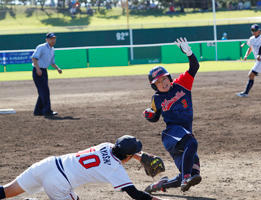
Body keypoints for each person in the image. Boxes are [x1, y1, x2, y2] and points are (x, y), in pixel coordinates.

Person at [0, 135, 166, 200]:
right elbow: (135, 194)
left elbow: (123, 151)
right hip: (59, 183)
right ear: (128, 157)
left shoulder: (106, 145)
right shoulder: (116, 171)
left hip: (47, 165)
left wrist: (140, 157)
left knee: (6, 191)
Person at [143, 37, 201, 193]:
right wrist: (149, 115)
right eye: (158, 82)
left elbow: (194, 67)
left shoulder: (181, 84)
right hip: (172, 134)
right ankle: (185, 178)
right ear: (154, 86)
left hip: (183, 134)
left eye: (164, 78)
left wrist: (189, 53)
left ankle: (160, 185)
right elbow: (154, 117)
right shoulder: (157, 98)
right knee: (192, 143)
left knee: (194, 173)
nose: (163, 82)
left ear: (169, 77)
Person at [32, 32, 62, 117]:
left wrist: (58, 68)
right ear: (47, 40)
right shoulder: (41, 47)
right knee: (45, 92)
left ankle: (37, 111)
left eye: (54, 39)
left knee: (42, 92)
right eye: (51, 39)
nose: (53, 40)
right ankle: (47, 111)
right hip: (38, 71)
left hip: (44, 71)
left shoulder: (52, 49)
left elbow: (52, 63)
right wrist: (38, 69)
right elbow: (34, 58)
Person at [236, 24, 261, 97]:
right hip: (259, 60)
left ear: (259, 31)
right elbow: (250, 48)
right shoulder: (251, 39)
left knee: (251, 75)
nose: (254, 31)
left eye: (255, 30)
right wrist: (246, 55)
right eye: (252, 30)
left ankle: (245, 93)